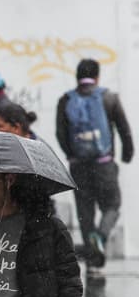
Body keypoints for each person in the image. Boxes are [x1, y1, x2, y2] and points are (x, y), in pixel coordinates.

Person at [55, 58, 133, 268]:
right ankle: (100, 236)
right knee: (112, 205)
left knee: (85, 211)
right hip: (104, 164)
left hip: (79, 165)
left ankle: (92, 257)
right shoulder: (109, 98)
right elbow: (123, 129)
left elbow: (60, 133)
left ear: (77, 77)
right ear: (97, 76)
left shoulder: (65, 100)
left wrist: (71, 154)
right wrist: (127, 154)